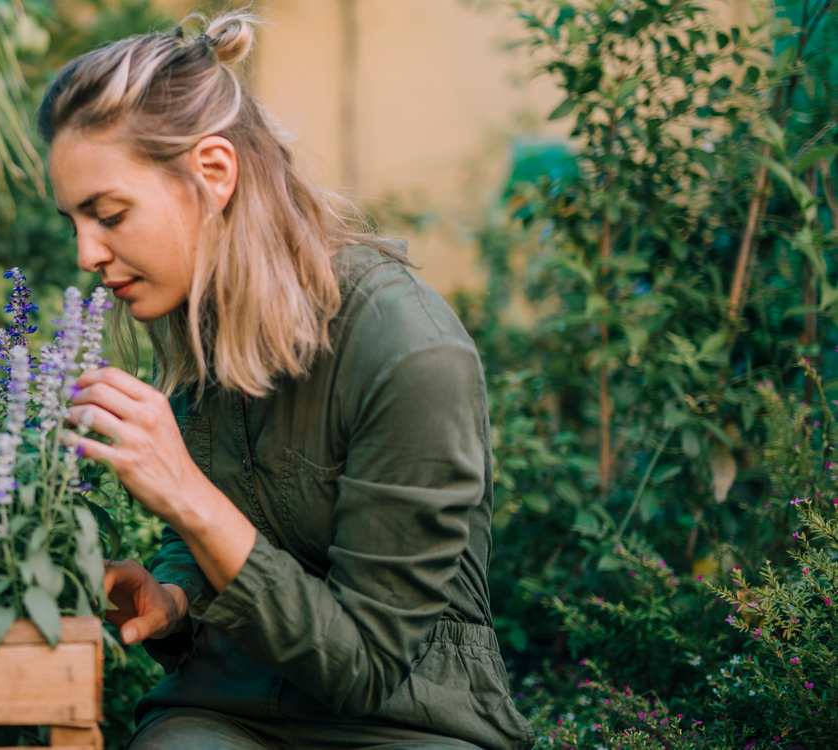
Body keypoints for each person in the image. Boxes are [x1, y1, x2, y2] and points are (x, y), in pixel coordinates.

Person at [40, 11, 535, 750]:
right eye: (74, 221)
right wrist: (173, 595)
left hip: (407, 722)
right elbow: (230, 517)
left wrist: (185, 491)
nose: (86, 251)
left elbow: (365, 667)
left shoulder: (409, 352)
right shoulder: (194, 314)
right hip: (224, 708)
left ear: (212, 172)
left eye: (108, 215)